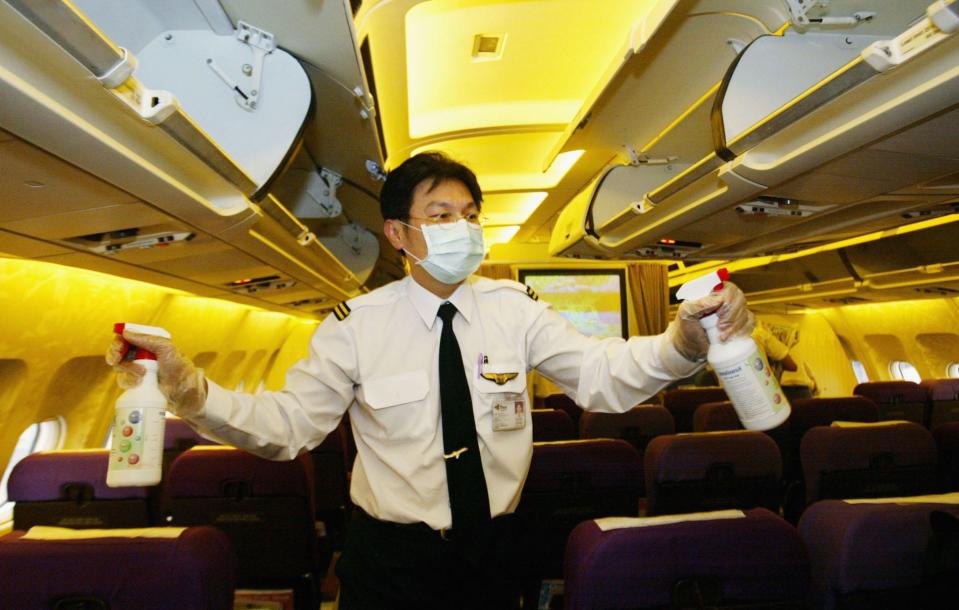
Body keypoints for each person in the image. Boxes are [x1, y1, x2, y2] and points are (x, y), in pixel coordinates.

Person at [106, 152, 754, 610]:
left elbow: (603, 379)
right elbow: (286, 430)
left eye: (469, 214)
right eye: (440, 215)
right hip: (390, 560)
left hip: (494, 549)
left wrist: (685, 340)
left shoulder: (515, 310)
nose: (462, 228)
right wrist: (187, 388)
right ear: (398, 234)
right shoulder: (354, 326)